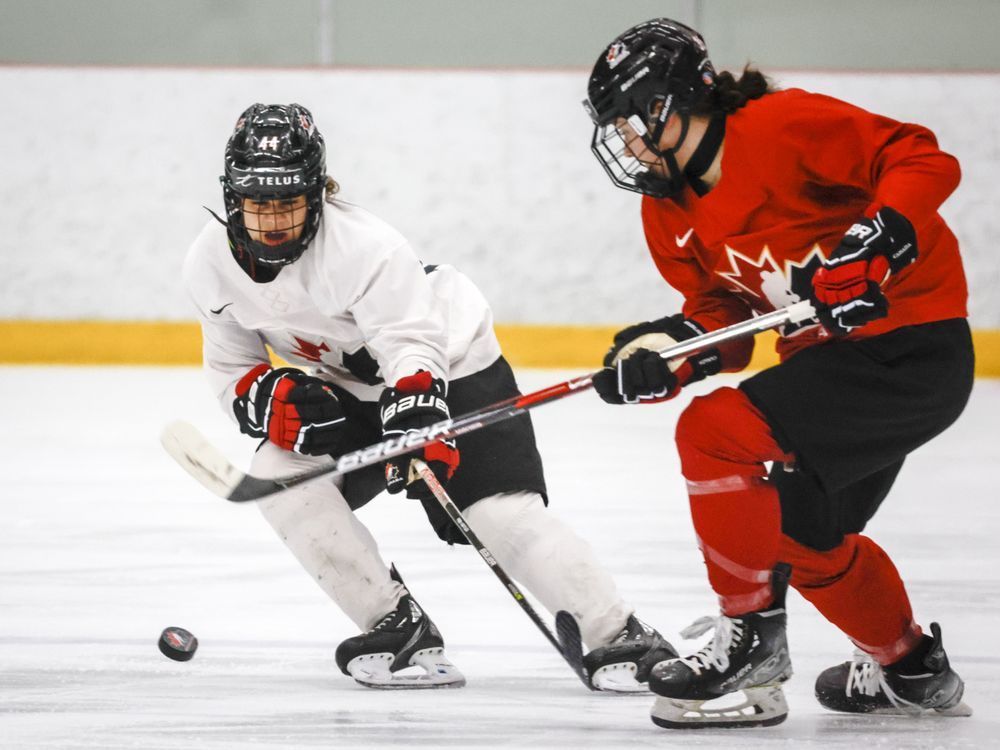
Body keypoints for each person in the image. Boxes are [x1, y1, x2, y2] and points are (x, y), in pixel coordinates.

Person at [181, 102, 675, 691]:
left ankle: (623, 635)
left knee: (493, 513)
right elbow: (232, 362)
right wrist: (270, 394)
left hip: (453, 362)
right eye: (258, 204)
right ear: (232, 199)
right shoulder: (208, 261)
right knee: (278, 470)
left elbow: (411, 343)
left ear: (316, 193)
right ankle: (394, 625)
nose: (274, 222)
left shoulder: (365, 247)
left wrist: (419, 415)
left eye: (288, 202)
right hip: (350, 384)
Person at [582, 19, 975, 727]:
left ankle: (750, 646)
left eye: (635, 119)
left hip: (911, 349)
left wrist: (874, 244)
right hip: (828, 365)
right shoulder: (666, 211)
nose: (629, 142)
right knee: (798, 537)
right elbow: (727, 323)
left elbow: (922, 157)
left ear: (679, 101)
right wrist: (666, 358)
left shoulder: (779, 127)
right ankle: (908, 666)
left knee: (713, 433)